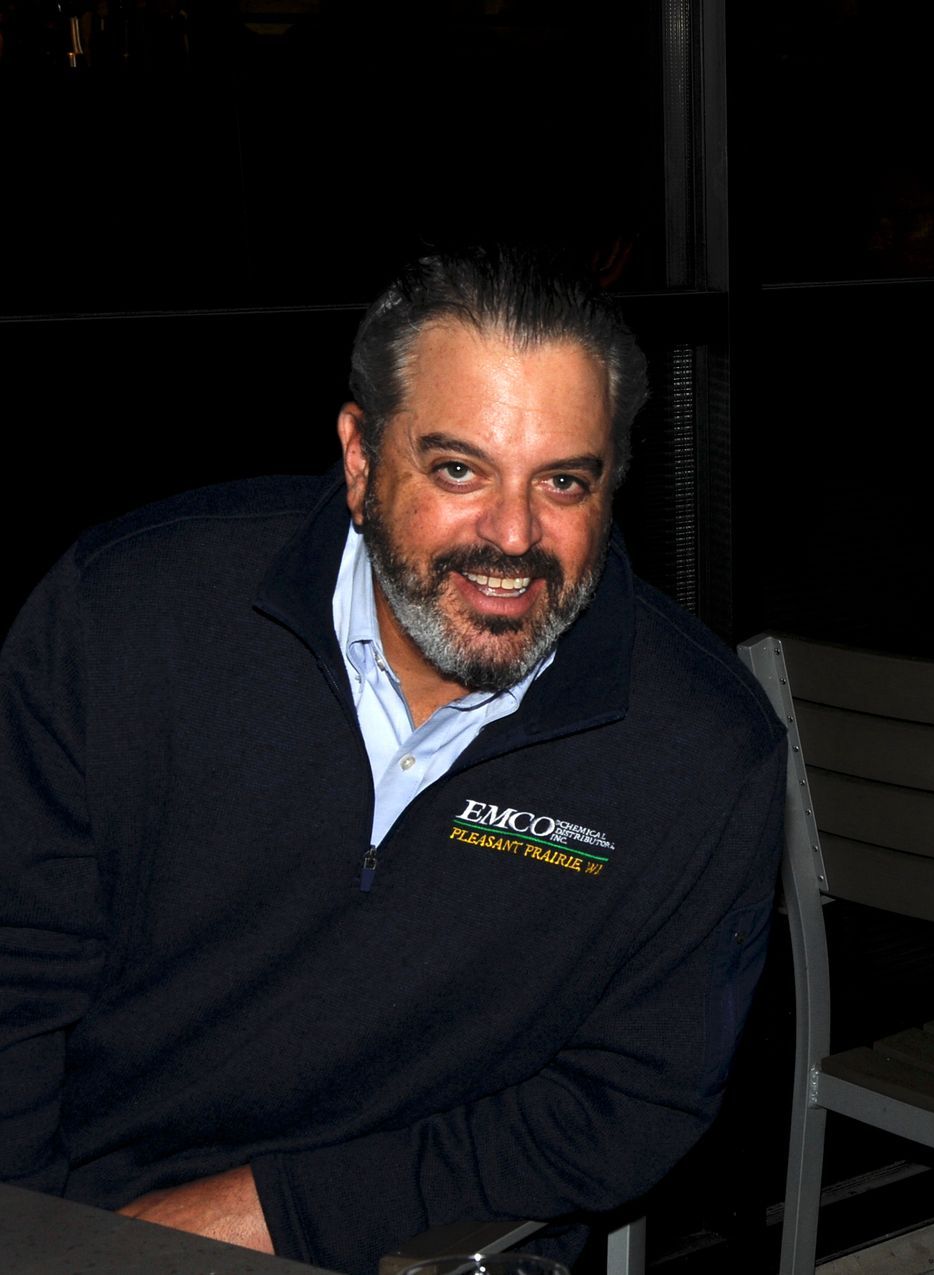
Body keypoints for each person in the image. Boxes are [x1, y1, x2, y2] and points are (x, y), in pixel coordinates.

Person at [0, 246, 786, 1273]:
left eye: (563, 482)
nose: (513, 535)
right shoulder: (126, 617)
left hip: (424, 1231)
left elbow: (635, 1101)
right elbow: (14, 978)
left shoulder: (702, 752)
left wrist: (276, 1211)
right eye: (459, 470)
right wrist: (48, 1238)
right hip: (80, 1204)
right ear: (362, 460)